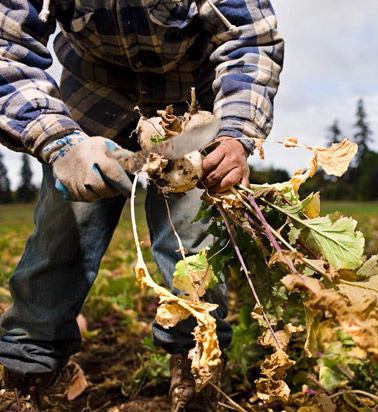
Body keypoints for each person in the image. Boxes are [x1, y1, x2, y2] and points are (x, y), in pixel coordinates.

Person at [0, 0, 283, 410]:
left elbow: (250, 39)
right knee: (59, 240)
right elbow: (7, 49)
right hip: (90, 105)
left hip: (190, 113)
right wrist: (57, 140)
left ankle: (196, 366)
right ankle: (28, 370)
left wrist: (236, 131)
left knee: (193, 244)